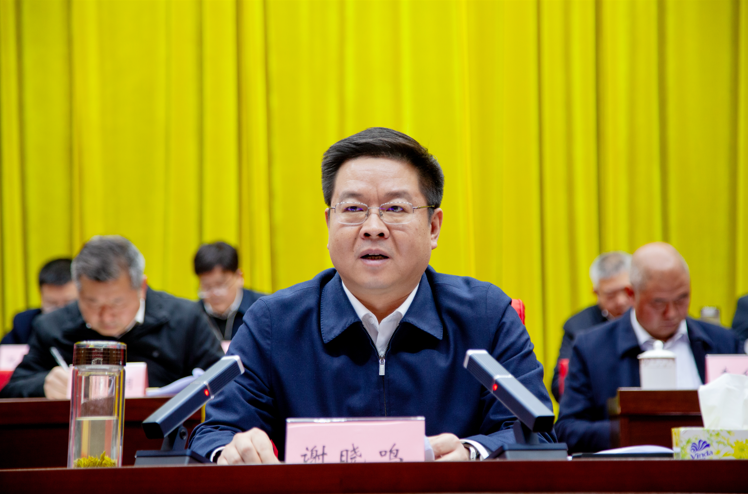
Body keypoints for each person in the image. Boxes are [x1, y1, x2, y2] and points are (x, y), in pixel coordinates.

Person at [189, 127, 555, 464]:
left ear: (433, 227)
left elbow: (535, 435)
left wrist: (472, 454)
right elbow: (215, 434)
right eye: (353, 209)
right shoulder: (272, 323)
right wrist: (231, 452)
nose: (373, 228)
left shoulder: (486, 316)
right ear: (329, 224)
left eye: (395, 208)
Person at [555, 242, 742, 453]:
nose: (672, 313)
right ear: (631, 295)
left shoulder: (723, 342)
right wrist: (633, 432)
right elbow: (567, 430)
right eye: (658, 303)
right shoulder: (592, 349)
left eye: (682, 299)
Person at [0, 236, 224, 399]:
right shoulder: (53, 327)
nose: (106, 316)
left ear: (141, 287)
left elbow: (224, 382)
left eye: (117, 303)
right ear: (78, 292)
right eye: (92, 303)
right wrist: (43, 385)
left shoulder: (185, 319)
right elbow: (11, 391)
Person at [551, 251, 632, 400]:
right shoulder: (578, 327)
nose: (620, 301)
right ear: (596, 293)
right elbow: (559, 386)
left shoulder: (652, 320)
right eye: (611, 295)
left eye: (627, 291)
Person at [194, 242, 265, 340]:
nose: (214, 294)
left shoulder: (263, 309)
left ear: (239, 277)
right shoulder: (193, 316)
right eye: (207, 287)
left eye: (221, 285)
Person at [1, 258, 78, 345]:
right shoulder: (25, 324)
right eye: (52, 303)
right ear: (41, 296)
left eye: (69, 303)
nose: (60, 312)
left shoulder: (89, 325)